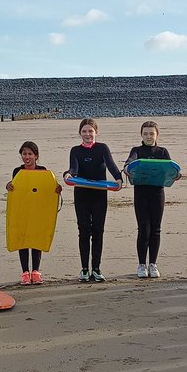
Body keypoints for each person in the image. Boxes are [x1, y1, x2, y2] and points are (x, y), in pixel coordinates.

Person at [65, 118, 122, 282]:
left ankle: (96, 268)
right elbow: (74, 169)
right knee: (83, 231)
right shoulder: (75, 150)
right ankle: (84, 269)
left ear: (96, 132)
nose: (87, 134)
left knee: (98, 231)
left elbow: (111, 165)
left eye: (90, 131)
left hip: (99, 194)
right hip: (82, 194)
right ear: (80, 133)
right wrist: (68, 174)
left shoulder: (102, 148)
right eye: (84, 131)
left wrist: (118, 179)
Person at [124, 120, 180, 279]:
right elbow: (129, 162)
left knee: (156, 228)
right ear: (141, 135)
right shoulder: (137, 150)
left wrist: (176, 175)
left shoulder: (162, 152)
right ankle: (142, 264)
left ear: (157, 135)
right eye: (145, 133)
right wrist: (127, 168)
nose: (148, 136)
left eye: (151, 133)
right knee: (143, 229)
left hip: (157, 193)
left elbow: (171, 169)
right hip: (141, 193)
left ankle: (153, 264)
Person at [5, 141, 61, 284]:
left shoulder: (43, 170)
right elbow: (15, 188)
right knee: (22, 239)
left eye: (30, 154)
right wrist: (9, 186)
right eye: (24, 154)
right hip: (22, 209)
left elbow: (49, 188)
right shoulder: (17, 171)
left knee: (36, 238)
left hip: (38, 209)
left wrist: (57, 188)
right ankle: (25, 272)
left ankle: (36, 271)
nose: (27, 157)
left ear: (36, 156)